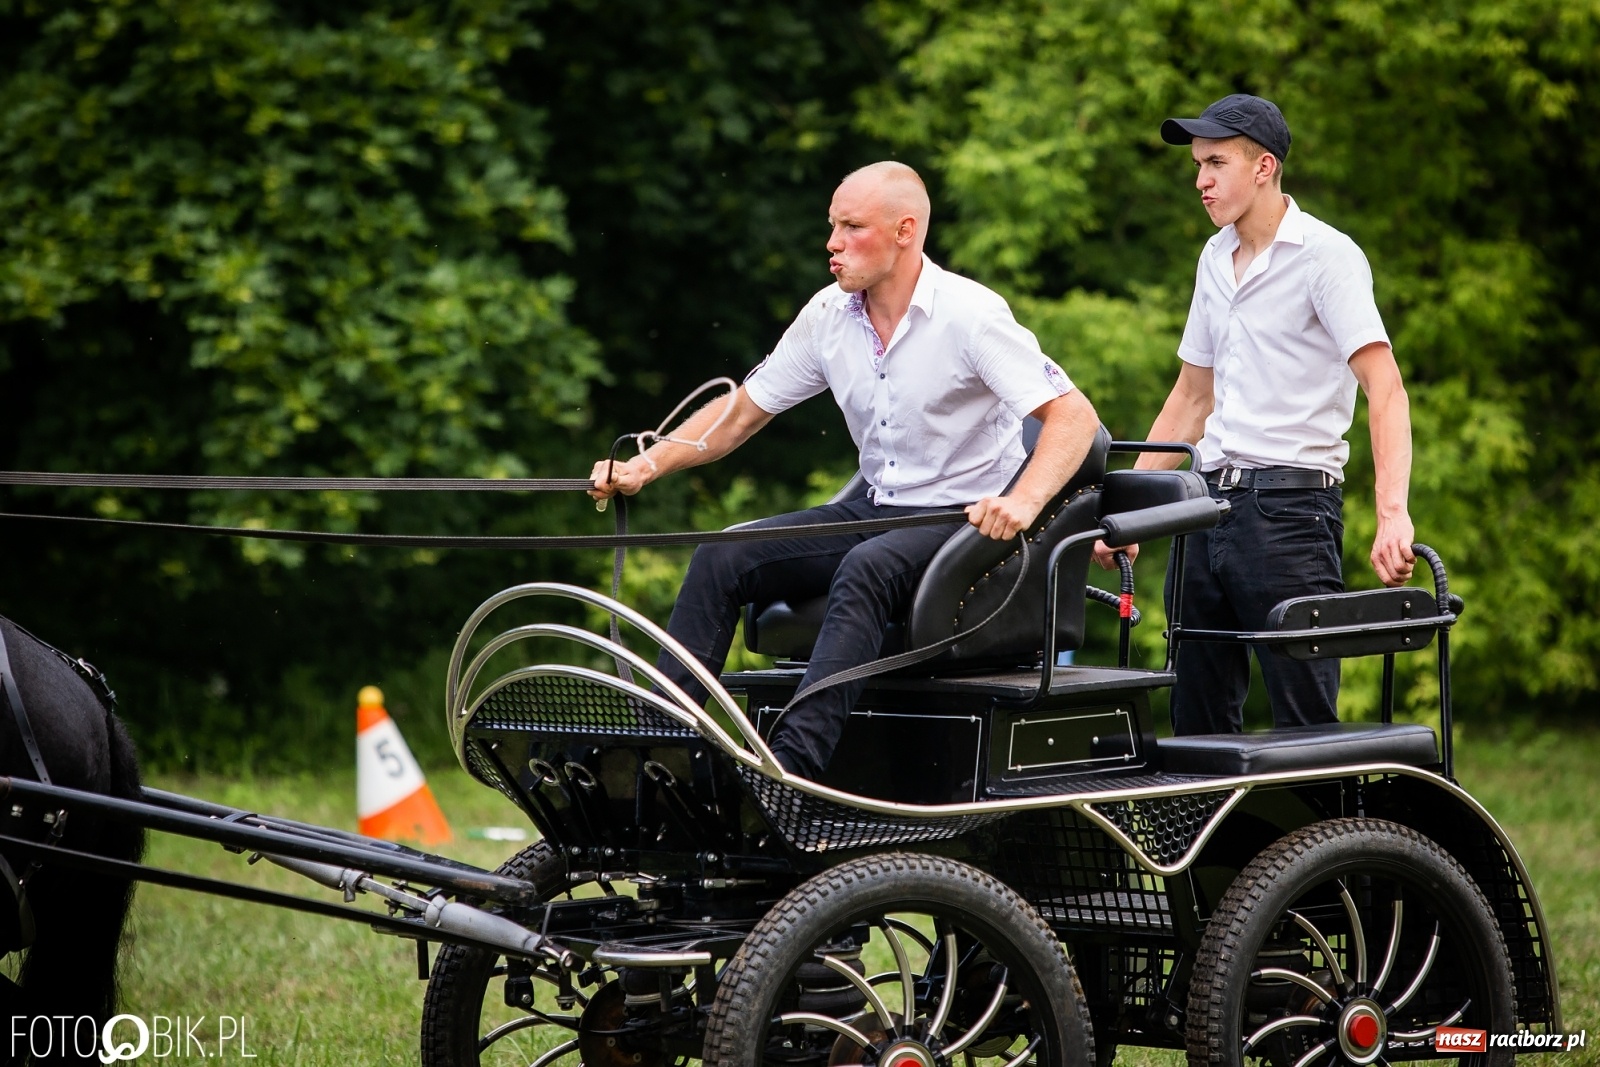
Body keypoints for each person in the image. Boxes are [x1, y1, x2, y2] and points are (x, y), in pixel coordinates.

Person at [591, 161, 1101, 779]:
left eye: (851, 226)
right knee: (723, 555)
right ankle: (659, 754)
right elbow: (741, 413)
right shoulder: (828, 315)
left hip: (964, 522)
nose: (831, 243)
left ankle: (790, 772)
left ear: (905, 231)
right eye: (832, 226)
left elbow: (1072, 419)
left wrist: (1022, 502)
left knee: (867, 568)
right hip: (876, 512)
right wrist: (646, 465)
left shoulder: (972, 315)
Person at [1095, 94, 1415, 736]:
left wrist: (1392, 513)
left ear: (1264, 166)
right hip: (1204, 505)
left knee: (1305, 723)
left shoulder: (1328, 256)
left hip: (1290, 513)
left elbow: (1385, 385)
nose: (1200, 180)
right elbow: (1191, 395)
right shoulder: (1213, 259)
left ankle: (1328, 840)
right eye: (1197, 165)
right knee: (1198, 720)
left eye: (1215, 163)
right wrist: (1131, 510)